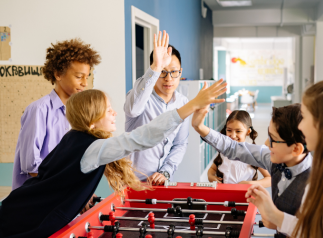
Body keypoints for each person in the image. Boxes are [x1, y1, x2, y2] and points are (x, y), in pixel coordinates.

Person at [0, 74, 226, 237]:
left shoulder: (73, 137)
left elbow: (58, 179)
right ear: (91, 119)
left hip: (17, 208)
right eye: (108, 110)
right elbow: (143, 136)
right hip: (24, 219)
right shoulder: (93, 147)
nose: (115, 113)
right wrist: (192, 105)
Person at [245, 63, 323, 238]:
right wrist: (275, 215)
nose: (300, 126)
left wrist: (277, 217)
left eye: (304, 117)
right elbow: (315, 230)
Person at [192, 104, 311, 237]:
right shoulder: (274, 158)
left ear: (296, 149)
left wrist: (278, 219)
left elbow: (320, 232)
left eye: (273, 139)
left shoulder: (317, 184)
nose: (266, 143)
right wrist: (200, 128)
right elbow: (234, 148)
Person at [12, 38, 101, 190]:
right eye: (79, 77)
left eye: (87, 77)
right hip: (34, 202)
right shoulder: (39, 110)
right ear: (58, 74)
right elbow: (31, 166)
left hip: (60, 199)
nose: (85, 83)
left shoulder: (79, 115)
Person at [124, 30, 188, 185]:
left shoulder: (183, 102)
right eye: (163, 72)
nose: (168, 79)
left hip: (163, 181)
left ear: (181, 72)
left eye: (174, 72)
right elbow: (132, 110)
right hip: (134, 181)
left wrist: (165, 171)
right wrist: (155, 67)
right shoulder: (140, 97)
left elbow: (180, 144)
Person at [207, 110, 271, 187]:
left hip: (245, 197)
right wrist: (211, 176)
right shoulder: (224, 151)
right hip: (225, 196)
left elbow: (270, 179)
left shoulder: (252, 153)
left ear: (248, 132)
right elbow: (212, 169)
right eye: (229, 130)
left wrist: (250, 184)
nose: (233, 135)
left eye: (238, 131)